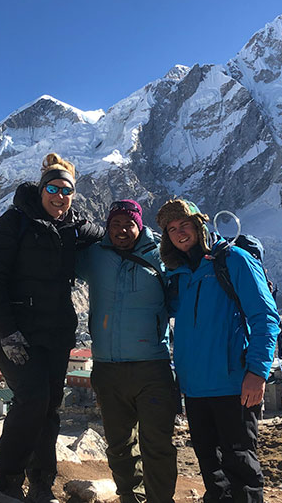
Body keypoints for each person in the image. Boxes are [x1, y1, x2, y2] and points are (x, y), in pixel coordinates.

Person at [0, 153, 102, 503]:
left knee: (49, 405)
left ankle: (41, 480)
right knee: (31, 398)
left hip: (55, 333)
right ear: (40, 188)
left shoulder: (70, 227)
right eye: (53, 188)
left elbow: (98, 233)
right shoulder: (12, 223)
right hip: (14, 334)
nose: (59, 196)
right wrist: (7, 333)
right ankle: (6, 480)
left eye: (67, 191)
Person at [155, 199, 280, 503]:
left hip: (234, 384)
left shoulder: (233, 260)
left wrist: (257, 372)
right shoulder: (180, 275)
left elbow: (265, 317)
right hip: (196, 388)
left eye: (184, 224)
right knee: (210, 467)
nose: (179, 232)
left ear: (199, 225)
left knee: (240, 464)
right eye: (171, 229)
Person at [75, 199, 179, 503]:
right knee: (119, 443)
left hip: (153, 366)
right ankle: (130, 497)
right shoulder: (93, 255)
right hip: (108, 368)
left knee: (157, 443)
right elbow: (57, 259)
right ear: (107, 227)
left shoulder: (162, 254)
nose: (122, 229)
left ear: (139, 225)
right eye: (116, 224)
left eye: (129, 223)